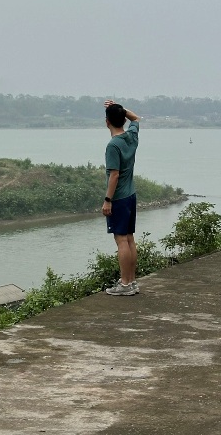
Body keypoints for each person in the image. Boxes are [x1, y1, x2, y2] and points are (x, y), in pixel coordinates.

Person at [101, 99, 140, 296]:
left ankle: (124, 285)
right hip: (131, 195)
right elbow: (136, 118)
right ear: (122, 120)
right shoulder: (132, 136)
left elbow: (114, 175)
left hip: (119, 198)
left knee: (121, 241)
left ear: (107, 122)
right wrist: (119, 108)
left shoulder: (113, 145)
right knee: (129, 239)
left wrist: (107, 200)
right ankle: (131, 282)